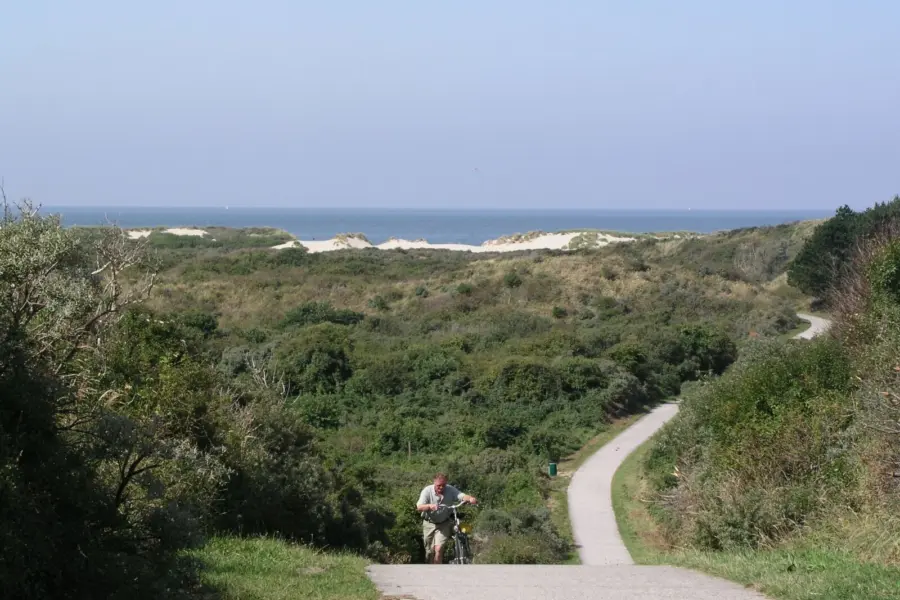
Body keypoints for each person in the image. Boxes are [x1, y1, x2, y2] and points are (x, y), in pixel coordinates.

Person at [416, 473, 477, 564]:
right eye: (438, 486)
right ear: (434, 483)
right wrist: (429, 506)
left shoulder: (450, 489)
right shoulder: (427, 491)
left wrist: (471, 498)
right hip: (429, 523)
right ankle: (429, 569)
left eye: (443, 485)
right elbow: (419, 507)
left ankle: (437, 572)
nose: (441, 488)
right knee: (430, 551)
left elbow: (462, 496)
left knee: (439, 549)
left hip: (444, 523)